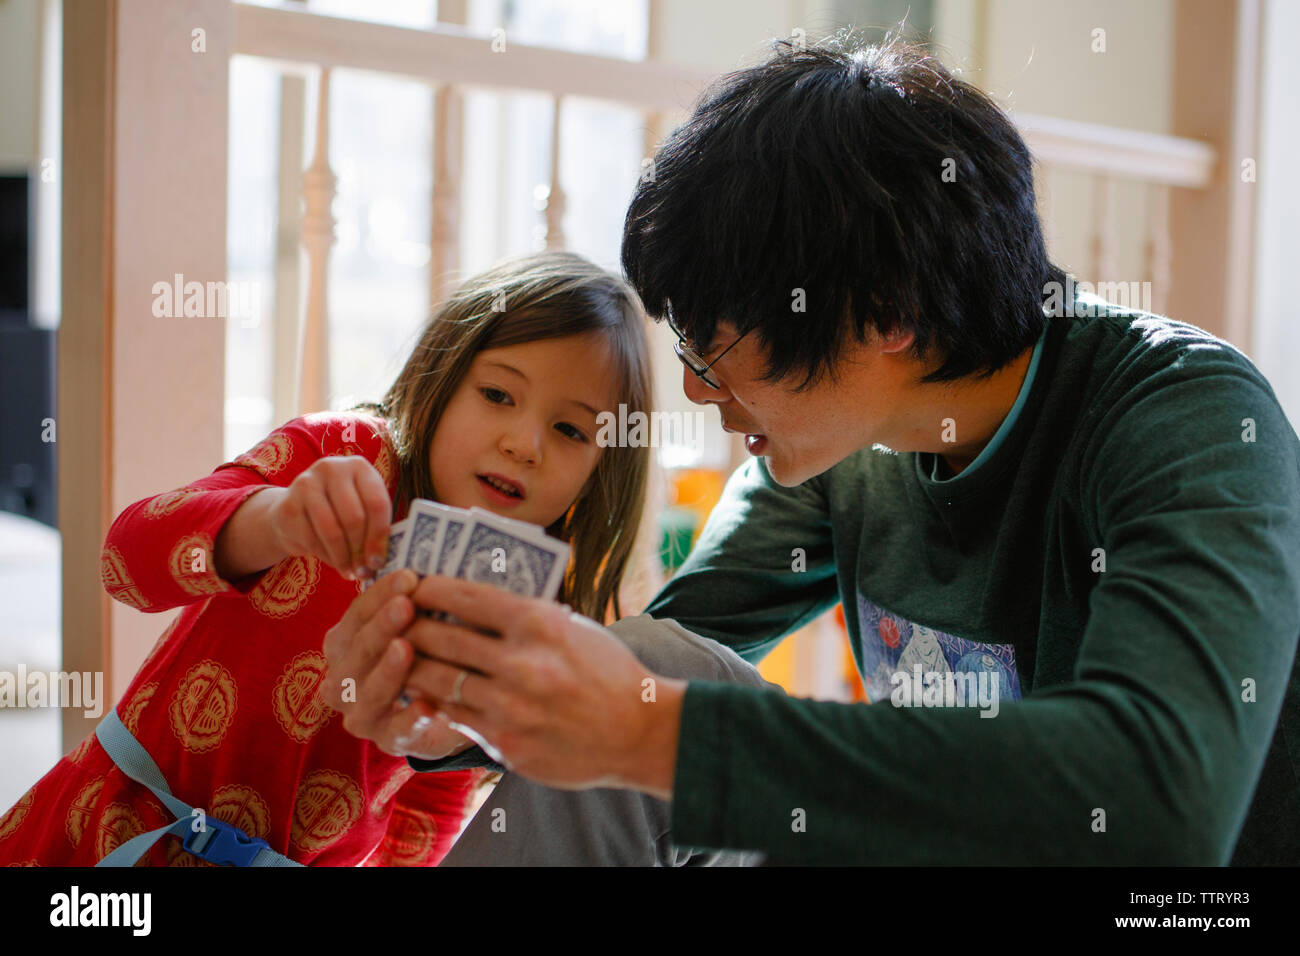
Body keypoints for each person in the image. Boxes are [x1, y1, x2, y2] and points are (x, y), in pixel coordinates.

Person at [322, 36, 1300, 865]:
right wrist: (457, 716)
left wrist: (648, 729)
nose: (698, 392)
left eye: (713, 347)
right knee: (660, 660)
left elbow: (1163, 802)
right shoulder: (844, 448)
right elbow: (660, 659)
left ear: (889, 315)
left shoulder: (1188, 417)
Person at [0, 251, 655, 866]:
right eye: (497, 395)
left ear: (602, 474)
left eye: (570, 430)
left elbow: (433, 792)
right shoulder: (345, 455)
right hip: (111, 828)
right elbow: (124, 561)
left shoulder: (526, 610)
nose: (523, 443)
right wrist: (274, 521)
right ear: (444, 375)